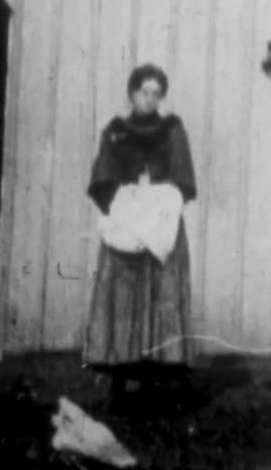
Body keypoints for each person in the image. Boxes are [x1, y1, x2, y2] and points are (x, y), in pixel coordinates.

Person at [83, 64, 198, 400]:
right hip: (128, 220)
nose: (149, 99)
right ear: (131, 94)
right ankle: (119, 376)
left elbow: (182, 173)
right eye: (143, 92)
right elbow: (104, 171)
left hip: (160, 222)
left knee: (160, 295)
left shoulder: (172, 130)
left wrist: (162, 195)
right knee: (122, 297)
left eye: (156, 94)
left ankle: (154, 376)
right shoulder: (116, 131)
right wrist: (121, 197)